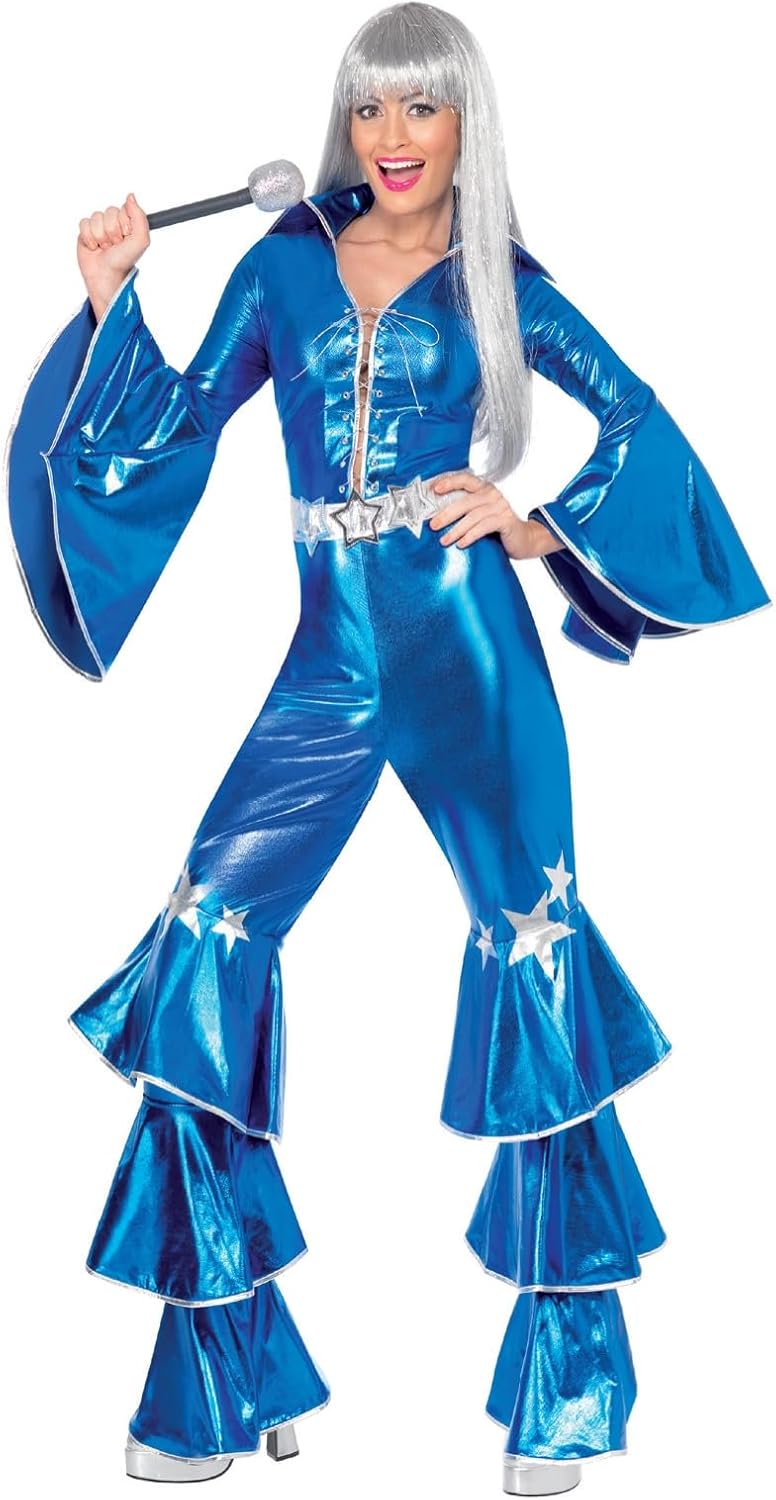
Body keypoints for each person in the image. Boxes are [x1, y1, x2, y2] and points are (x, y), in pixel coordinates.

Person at [5, 2, 769, 1494]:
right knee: (206, 940)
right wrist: (108, 305)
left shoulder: (500, 282)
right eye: (371, 109)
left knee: (533, 963)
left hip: (471, 654)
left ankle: (566, 1395)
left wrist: (535, 527)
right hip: (327, 669)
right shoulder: (281, 265)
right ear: (344, 124)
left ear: (467, 124)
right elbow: (174, 426)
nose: (395, 137)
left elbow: (639, 418)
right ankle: (229, 1374)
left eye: (424, 107)